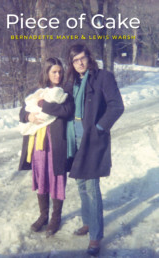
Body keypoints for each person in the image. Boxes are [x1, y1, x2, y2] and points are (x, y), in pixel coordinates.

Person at [66, 44, 124, 256]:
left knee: (92, 187)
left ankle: (96, 237)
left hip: (93, 139)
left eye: (83, 58)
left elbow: (117, 106)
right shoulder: (72, 81)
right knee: (81, 184)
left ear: (89, 58)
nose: (80, 63)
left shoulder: (103, 77)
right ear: (71, 63)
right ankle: (88, 222)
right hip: (75, 138)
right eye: (75, 60)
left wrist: (100, 127)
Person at [18, 57, 74, 237]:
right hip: (38, 141)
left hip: (56, 141)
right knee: (41, 174)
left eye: (59, 71)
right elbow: (22, 110)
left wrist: (45, 104)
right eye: (54, 72)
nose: (58, 75)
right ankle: (43, 215)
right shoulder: (38, 92)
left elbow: (66, 111)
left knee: (56, 176)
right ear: (47, 73)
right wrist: (29, 117)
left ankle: (55, 217)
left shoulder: (65, 91)